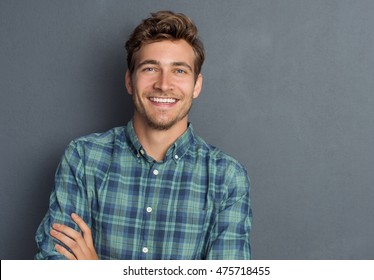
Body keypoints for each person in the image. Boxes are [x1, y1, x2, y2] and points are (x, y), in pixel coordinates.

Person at [34, 10, 252, 260]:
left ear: (197, 85)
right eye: (150, 68)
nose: (163, 84)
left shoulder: (227, 178)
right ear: (129, 80)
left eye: (179, 71)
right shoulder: (83, 158)